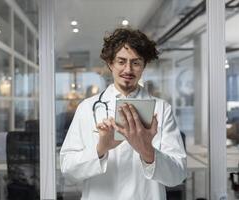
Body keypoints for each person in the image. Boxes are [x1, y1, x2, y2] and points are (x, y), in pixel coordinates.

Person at [60, 28, 187, 200]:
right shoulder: (87, 108)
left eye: (136, 62)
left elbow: (177, 175)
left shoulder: (161, 109)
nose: (128, 69)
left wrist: (147, 150)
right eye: (121, 61)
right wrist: (101, 148)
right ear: (110, 63)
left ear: (143, 65)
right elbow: (68, 170)